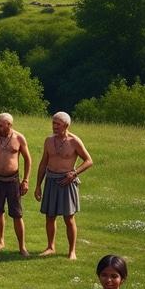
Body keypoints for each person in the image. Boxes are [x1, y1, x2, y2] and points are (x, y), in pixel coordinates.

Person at [33, 111, 93, 259]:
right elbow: (43, 162)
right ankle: (50, 247)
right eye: (53, 123)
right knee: (50, 216)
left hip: (67, 181)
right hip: (51, 179)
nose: (54, 126)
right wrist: (38, 185)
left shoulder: (74, 141)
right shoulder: (48, 141)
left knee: (69, 217)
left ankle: (72, 251)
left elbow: (88, 160)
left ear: (66, 125)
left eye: (57, 124)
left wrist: (75, 173)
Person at [0, 113, 31, 256]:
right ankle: (0, 241)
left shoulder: (19, 138)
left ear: (9, 125)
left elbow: (27, 160)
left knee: (17, 214)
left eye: (1, 126)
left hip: (12, 180)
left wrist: (26, 180)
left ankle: (22, 247)